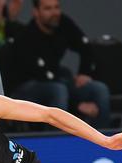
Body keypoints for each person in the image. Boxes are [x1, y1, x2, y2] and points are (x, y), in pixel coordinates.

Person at [11, 0, 110, 129]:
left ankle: (102, 142)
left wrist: (84, 73)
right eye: (48, 9)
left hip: (57, 80)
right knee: (58, 91)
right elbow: (43, 75)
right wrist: (77, 105)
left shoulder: (63, 23)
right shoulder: (27, 36)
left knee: (99, 89)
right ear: (36, 12)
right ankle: (55, 142)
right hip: (27, 86)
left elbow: (85, 46)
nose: (54, 13)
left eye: (56, 7)